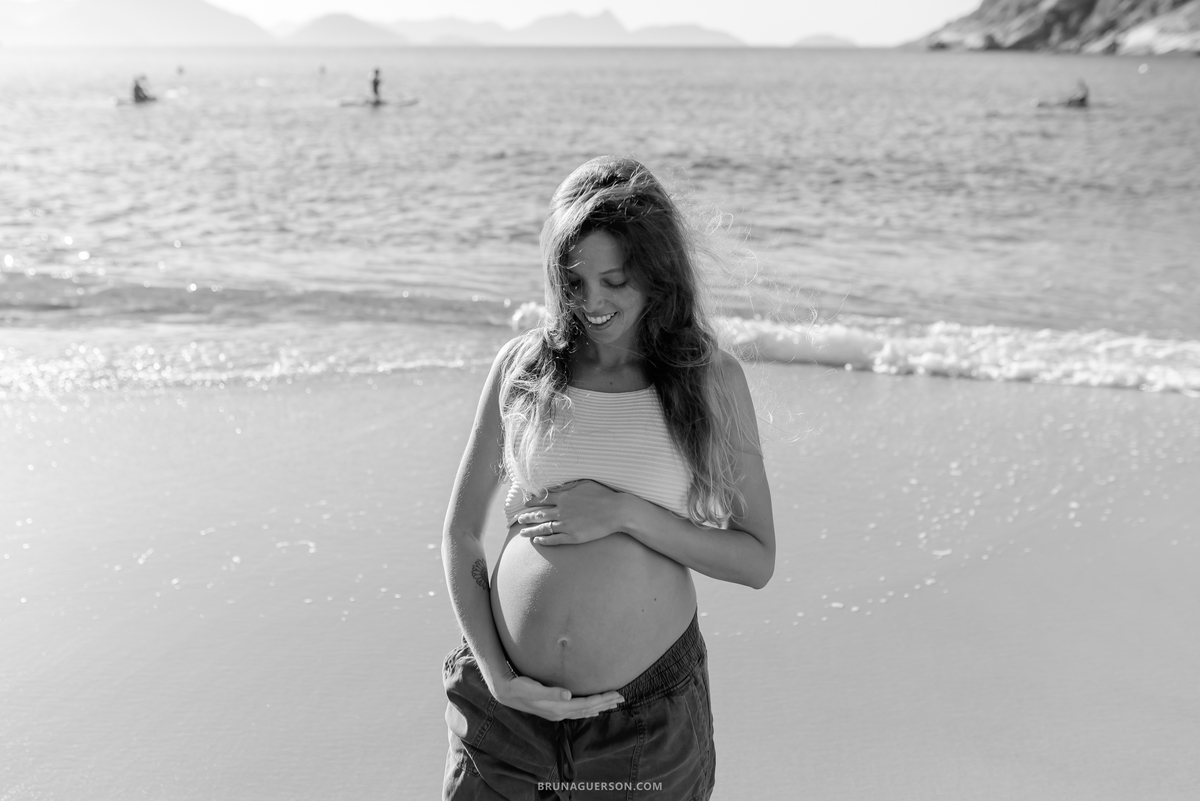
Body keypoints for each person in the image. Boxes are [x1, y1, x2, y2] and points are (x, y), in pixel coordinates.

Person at [440, 156, 776, 799]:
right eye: (575, 281)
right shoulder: (524, 364)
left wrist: (628, 513)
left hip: (639, 725)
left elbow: (755, 559)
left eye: (615, 281)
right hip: (504, 711)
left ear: (657, 275)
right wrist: (496, 673)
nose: (592, 303)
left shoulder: (709, 379)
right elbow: (460, 534)